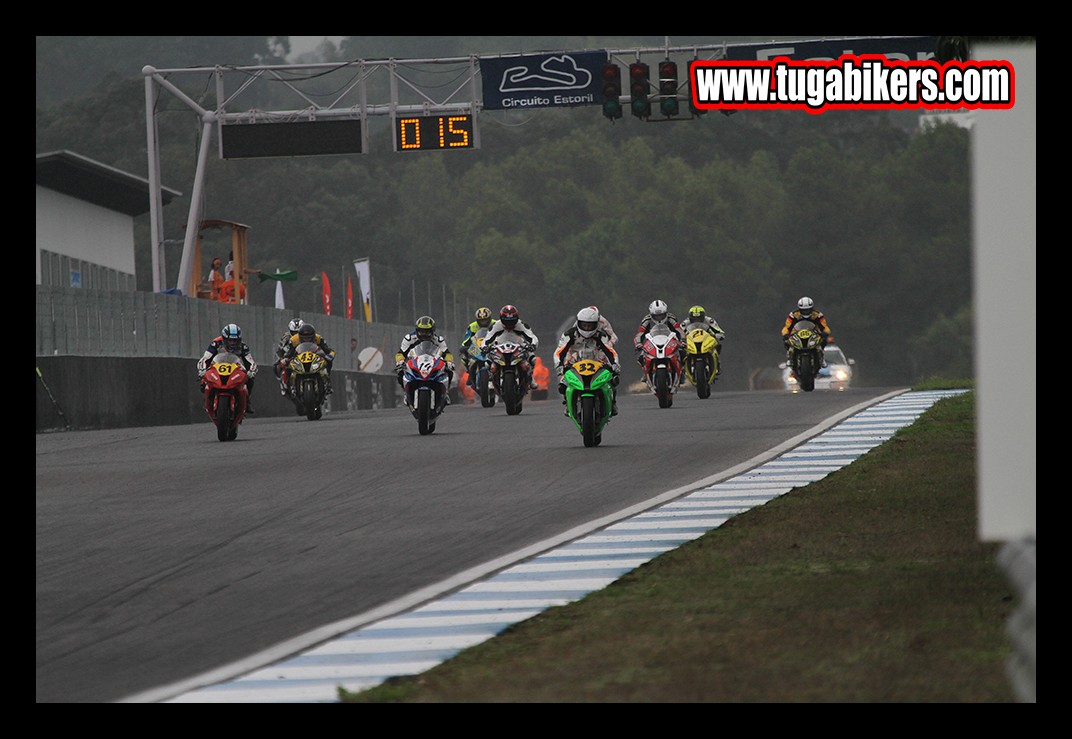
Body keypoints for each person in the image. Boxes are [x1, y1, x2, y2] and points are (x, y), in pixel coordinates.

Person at [555, 305, 621, 416]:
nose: (586, 328)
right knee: (563, 381)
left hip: (596, 355)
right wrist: (559, 365)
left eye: (590, 325)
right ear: (578, 323)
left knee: (612, 377)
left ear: (597, 323)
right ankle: (567, 403)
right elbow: (559, 351)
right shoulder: (570, 334)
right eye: (584, 325)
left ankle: (613, 402)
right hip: (576, 357)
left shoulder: (601, 333)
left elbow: (611, 350)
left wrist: (615, 364)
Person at [197, 323, 259, 413]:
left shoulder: (243, 346)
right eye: (230, 340)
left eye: (235, 341)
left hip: (235, 368)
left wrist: (252, 371)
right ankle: (207, 399)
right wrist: (202, 370)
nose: (233, 343)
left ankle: (247, 401)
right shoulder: (216, 343)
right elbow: (205, 358)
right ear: (224, 339)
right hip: (217, 366)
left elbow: (250, 361)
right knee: (203, 380)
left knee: (250, 380)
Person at [394, 315, 456, 400]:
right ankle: (406, 392)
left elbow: (447, 354)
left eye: (427, 332)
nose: (424, 334)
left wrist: (450, 362)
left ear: (433, 331)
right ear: (417, 330)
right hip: (414, 362)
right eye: (421, 331)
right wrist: (400, 361)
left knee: (449, 371)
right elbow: (400, 353)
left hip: (432, 362)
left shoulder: (439, 340)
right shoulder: (409, 339)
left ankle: (445, 393)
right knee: (400, 371)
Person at [481, 305, 540, 393]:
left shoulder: (522, 325)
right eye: (506, 321)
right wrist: (484, 347)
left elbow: (532, 337)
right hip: (500, 346)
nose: (509, 324)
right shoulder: (496, 325)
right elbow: (487, 339)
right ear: (501, 318)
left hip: (518, 346)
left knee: (532, 358)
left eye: (512, 321)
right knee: (488, 360)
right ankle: (490, 379)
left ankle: (531, 377)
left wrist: (533, 345)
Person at [633, 299, 687, 381]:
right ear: (651, 314)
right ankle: (645, 373)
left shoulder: (671, 318)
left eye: (661, 315)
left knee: (683, 352)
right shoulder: (646, 320)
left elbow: (679, 330)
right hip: (652, 340)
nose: (659, 318)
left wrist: (683, 341)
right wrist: (638, 343)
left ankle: (682, 371)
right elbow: (640, 333)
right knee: (641, 357)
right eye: (656, 316)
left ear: (665, 313)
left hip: (670, 339)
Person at [282, 322, 337, 395]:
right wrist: (286, 359)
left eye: (309, 337)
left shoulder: (318, 338)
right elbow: (289, 352)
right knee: (287, 366)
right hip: (299, 357)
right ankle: (290, 386)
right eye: (304, 338)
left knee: (328, 361)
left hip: (314, 357)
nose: (307, 339)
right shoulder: (294, 340)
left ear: (313, 336)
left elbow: (327, 349)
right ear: (300, 336)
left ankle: (327, 382)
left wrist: (330, 355)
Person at [781, 296, 833, 368]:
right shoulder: (793, 315)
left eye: (808, 310)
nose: (806, 312)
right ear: (799, 309)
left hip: (813, 334)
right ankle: (790, 358)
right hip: (797, 333)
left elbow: (824, 326)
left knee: (823, 340)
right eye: (804, 310)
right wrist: (786, 334)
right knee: (787, 341)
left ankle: (821, 358)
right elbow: (787, 327)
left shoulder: (818, 315)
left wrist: (825, 333)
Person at [682, 304, 727, 376]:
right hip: (691, 340)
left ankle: (717, 363)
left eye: (699, 319)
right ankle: (682, 368)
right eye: (694, 320)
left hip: (706, 339)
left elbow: (719, 330)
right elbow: (679, 332)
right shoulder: (686, 323)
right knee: (681, 349)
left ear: (703, 317)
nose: (697, 321)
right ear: (690, 318)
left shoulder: (709, 320)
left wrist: (719, 335)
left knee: (717, 345)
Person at [458, 306, 494, 388]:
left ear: (490, 318)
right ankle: (471, 375)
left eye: (485, 320)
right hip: (477, 347)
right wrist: (464, 347)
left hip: (491, 346)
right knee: (465, 358)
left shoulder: (495, 324)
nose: (483, 322)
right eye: (481, 320)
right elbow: (466, 341)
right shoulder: (472, 326)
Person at [274, 318, 304, 395]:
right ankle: (282, 382)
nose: (296, 335)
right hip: (291, 356)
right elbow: (281, 349)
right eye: (294, 332)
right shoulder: (286, 337)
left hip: (304, 355)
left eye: (298, 332)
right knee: (278, 365)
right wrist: (283, 357)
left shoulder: (307, 335)